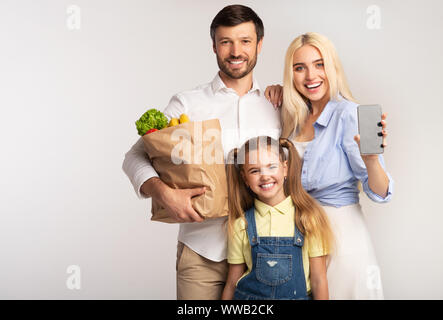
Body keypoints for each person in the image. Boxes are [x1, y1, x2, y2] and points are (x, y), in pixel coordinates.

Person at [122, 5, 281, 300]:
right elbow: (134, 157)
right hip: (203, 255)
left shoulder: (278, 106)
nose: (236, 51)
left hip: (268, 255)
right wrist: (164, 194)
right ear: (214, 46)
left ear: (259, 44)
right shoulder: (187, 104)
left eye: (245, 41)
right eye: (226, 42)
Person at [264, 32, 394, 299]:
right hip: (300, 237)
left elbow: (381, 192)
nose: (311, 76)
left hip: (341, 237)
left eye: (319, 64)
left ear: (332, 67)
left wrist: (371, 162)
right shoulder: (293, 117)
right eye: (300, 68)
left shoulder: (348, 114)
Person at [222, 136, 333, 300]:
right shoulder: (241, 224)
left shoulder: (308, 219)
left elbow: (319, 281)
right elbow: (232, 283)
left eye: (271, 167)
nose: (264, 176)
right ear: (245, 178)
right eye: (255, 170)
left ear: (285, 168)